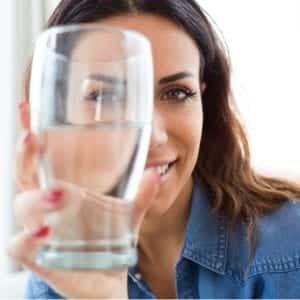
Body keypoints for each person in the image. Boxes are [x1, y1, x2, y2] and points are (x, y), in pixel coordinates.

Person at [8, 0, 300, 298]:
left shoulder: (290, 251)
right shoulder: (56, 280)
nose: (151, 136)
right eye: (105, 96)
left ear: (204, 103)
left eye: (176, 93)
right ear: (48, 116)